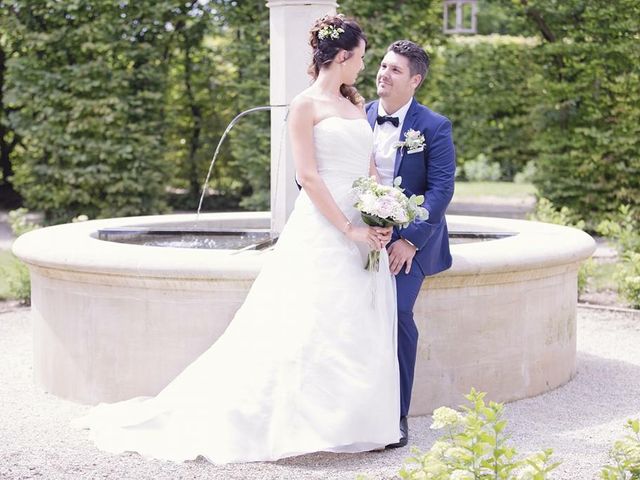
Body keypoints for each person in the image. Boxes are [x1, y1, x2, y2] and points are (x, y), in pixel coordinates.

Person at [72, 15, 402, 463]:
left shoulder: (354, 105)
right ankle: (292, 421)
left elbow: (367, 167)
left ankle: (355, 423)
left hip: (364, 226)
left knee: (357, 321)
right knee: (308, 322)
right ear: (342, 57)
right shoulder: (304, 105)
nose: (363, 67)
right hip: (326, 229)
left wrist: (379, 210)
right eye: (361, 58)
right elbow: (307, 175)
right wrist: (350, 229)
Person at [365, 40, 456, 448]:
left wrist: (410, 241)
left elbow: (440, 191)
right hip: (361, 236)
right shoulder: (358, 114)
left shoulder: (434, 126)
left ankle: (397, 415)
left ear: (415, 80)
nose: (383, 73)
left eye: (395, 70)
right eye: (383, 66)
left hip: (409, 241)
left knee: (398, 313)